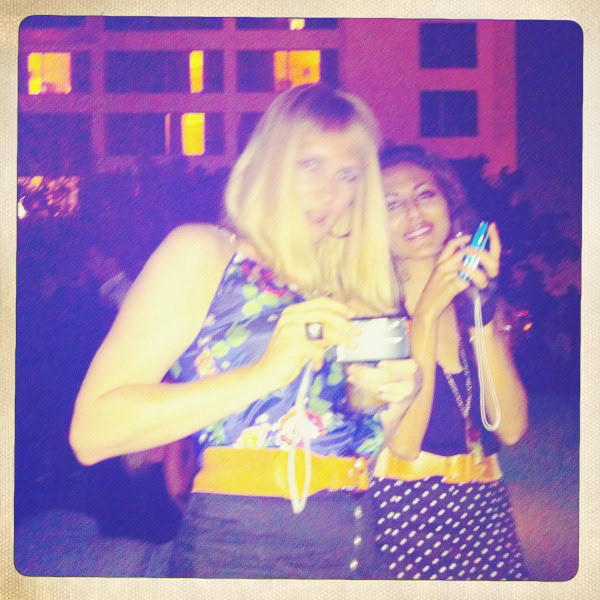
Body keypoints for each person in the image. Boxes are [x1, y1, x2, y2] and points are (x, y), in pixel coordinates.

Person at [69, 84, 420, 579]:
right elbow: (93, 431)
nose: (329, 192)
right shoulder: (206, 252)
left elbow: (370, 444)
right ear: (270, 162)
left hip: (359, 550)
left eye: (348, 174)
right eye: (311, 164)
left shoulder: (351, 288)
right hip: (245, 551)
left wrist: (397, 403)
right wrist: (265, 372)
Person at [361, 145, 528, 580]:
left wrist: (481, 318)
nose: (414, 213)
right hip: (403, 510)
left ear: (449, 204)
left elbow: (510, 428)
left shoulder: (480, 305)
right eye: (391, 205)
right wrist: (426, 316)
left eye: (425, 195)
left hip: (486, 508)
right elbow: (405, 442)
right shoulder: (369, 314)